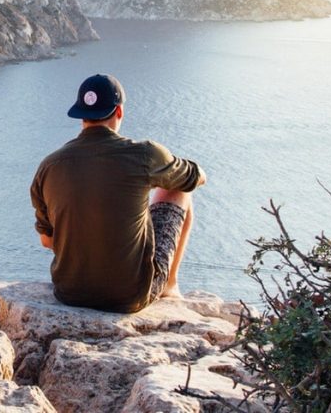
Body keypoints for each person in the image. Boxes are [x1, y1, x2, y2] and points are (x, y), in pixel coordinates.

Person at [30, 74, 206, 313]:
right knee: (180, 190)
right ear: (119, 112)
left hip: (69, 293)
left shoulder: (49, 166)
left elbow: (47, 240)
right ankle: (169, 285)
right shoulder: (145, 155)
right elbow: (196, 178)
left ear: (81, 115)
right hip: (129, 297)